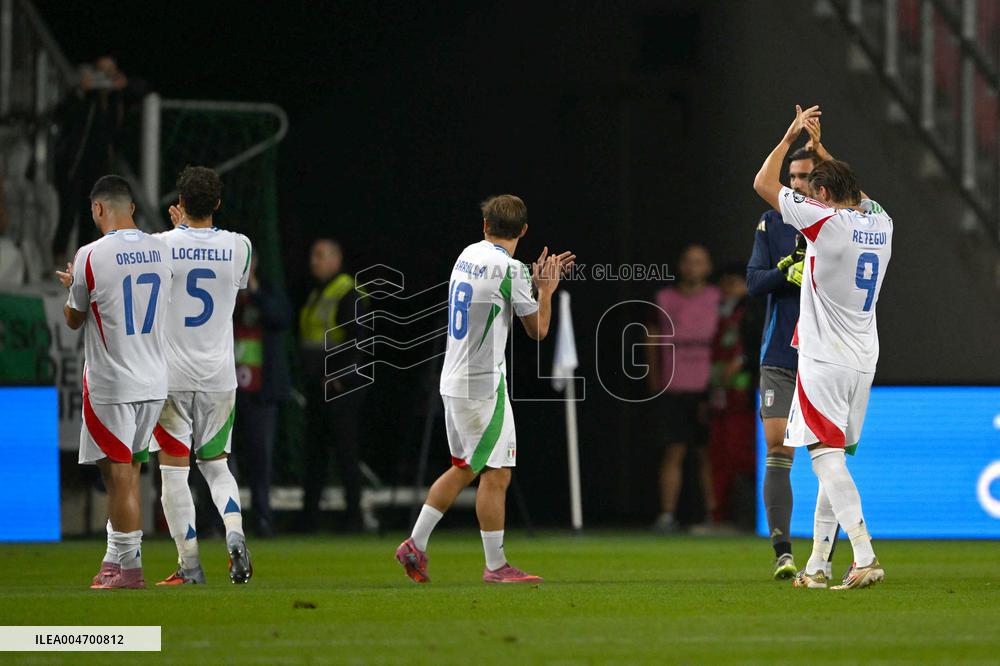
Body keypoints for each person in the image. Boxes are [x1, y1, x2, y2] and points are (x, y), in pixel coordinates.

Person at [395, 194, 574, 584]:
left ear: (485, 226)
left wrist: (528, 282)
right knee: (496, 473)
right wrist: (545, 289)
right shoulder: (512, 270)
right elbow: (538, 331)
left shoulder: (468, 254)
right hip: (482, 385)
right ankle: (494, 565)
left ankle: (416, 544)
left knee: (466, 468)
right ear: (523, 230)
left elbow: (492, 288)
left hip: (454, 379)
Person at [753, 106, 892, 590]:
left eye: (814, 191)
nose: (809, 198)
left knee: (823, 458)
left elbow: (763, 183)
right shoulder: (882, 222)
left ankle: (864, 554)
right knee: (834, 459)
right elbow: (856, 193)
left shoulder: (824, 222)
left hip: (823, 357)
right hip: (863, 359)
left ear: (824, 196)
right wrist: (821, 151)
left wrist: (789, 136)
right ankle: (816, 566)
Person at [55, 175, 173, 589]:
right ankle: (113, 559)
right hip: (154, 380)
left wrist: (73, 286)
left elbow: (74, 319)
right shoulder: (162, 249)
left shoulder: (90, 255)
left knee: (119, 476)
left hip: (113, 382)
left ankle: (130, 568)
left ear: (98, 209)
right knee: (128, 471)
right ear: (132, 208)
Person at [149, 166, 253, 585]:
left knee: (174, 472)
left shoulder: (160, 246)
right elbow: (236, 284)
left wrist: (176, 232)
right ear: (218, 203)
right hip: (218, 377)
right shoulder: (240, 246)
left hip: (171, 376)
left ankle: (189, 564)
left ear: (179, 202)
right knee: (216, 465)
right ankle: (235, 532)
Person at [747, 140, 839, 580]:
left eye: (806, 176)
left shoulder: (840, 222)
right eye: (793, 177)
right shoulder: (772, 221)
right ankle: (783, 552)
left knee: (826, 453)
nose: (798, 184)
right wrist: (785, 271)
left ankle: (824, 554)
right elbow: (753, 282)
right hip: (781, 354)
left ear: (822, 182)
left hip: (825, 354)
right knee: (779, 447)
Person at [648, 244, 720, 533]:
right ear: (681, 265)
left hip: (707, 387)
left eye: (699, 262)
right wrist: (655, 379)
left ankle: (714, 515)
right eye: (689, 261)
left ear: (708, 267)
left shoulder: (717, 298)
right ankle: (667, 515)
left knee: (708, 454)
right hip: (674, 387)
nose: (693, 267)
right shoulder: (664, 298)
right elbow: (651, 338)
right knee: (673, 451)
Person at [298, 238, 368, 532]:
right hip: (319, 383)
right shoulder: (319, 291)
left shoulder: (347, 291)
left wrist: (339, 375)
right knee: (315, 452)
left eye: (320, 255)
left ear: (336, 260)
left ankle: (354, 517)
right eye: (312, 255)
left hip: (340, 386)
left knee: (345, 451)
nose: (313, 261)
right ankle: (309, 518)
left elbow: (358, 338)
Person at [233, 253, 292, 537]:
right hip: (228, 390)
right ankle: (219, 521)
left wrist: (254, 291)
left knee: (260, 458)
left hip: (261, 391)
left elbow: (280, 317)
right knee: (218, 459)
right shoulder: (224, 293)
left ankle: (262, 519)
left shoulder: (268, 290)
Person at [706, 262, 760, 528]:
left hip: (745, 399)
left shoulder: (754, 311)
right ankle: (720, 516)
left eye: (732, 283)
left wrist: (742, 363)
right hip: (722, 398)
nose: (726, 289)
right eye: (723, 283)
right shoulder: (719, 314)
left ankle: (750, 517)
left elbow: (757, 348)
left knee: (744, 457)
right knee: (720, 457)